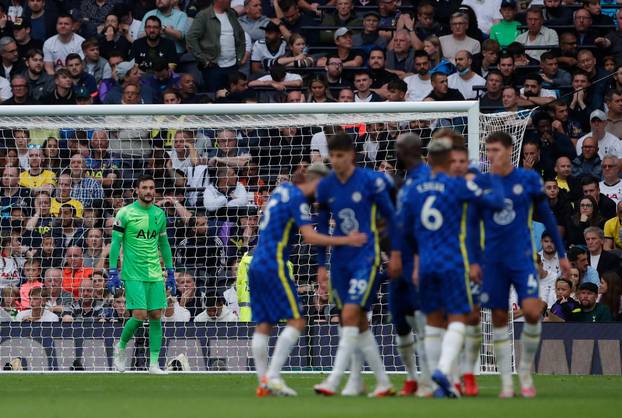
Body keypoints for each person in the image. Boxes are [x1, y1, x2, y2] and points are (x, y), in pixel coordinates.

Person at [251, 161, 366, 396]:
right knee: (297, 320)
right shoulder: (297, 199)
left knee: (264, 324)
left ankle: (263, 383)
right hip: (275, 264)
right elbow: (310, 237)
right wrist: (346, 240)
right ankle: (272, 376)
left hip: (255, 263)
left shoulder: (280, 191)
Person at [401, 137, 503, 398]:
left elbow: (405, 231)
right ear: (447, 160)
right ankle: (444, 371)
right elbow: (496, 203)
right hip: (453, 263)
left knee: (433, 323)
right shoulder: (457, 186)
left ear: (429, 159)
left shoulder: (414, 188)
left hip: (424, 264)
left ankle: (438, 386)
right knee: (459, 317)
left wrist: (412, 263)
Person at [479, 131, 570, 398]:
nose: (491, 155)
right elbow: (473, 223)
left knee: (532, 311)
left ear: (509, 150)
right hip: (493, 261)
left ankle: (525, 371)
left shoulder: (528, 179)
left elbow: (547, 218)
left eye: (496, 150)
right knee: (498, 318)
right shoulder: (484, 183)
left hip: (522, 259)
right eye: (488, 150)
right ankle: (507, 382)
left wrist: (562, 253)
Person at [313, 133, 397, 397]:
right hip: (339, 261)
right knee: (356, 322)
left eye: (340, 156)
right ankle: (378, 382)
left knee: (348, 315)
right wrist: (320, 265)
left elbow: (391, 218)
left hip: (365, 259)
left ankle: (334, 380)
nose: (335, 161)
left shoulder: (371, 181)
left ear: (351, 155)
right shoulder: (327, 186)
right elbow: (322, 225)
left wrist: (396, 253)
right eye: (332, 156)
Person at [109, 173, 177, 375]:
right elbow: (115, 243)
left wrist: (171, 271)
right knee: (139, 315)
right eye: (144, 188)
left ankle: (154, 364)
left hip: (155, 273)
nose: (148, 191)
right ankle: (120, 347)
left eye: (151, 188)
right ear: (137, 190)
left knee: (156, 315)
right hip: (133, 273)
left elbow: (164, 244)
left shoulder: (159, 214)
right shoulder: (125, 213)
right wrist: (113, 271)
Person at [388, 132, 434, 397]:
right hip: (401, 260)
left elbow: (422, 227)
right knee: (401, 323)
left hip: (419, 261)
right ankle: (411, 378)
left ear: (407, 151)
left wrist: (417, 261)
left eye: (398, 148)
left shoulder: (425, 180)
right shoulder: (407, 181)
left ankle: (428, 379)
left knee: (421, 321)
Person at [186, 0, 246, 93]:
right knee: (215, 99)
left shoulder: (231, 14)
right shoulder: (203, 15)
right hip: (214, 67)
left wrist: (239, 57)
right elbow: (191, 37)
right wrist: (204, 60)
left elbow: (241, 35)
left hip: (233, 66)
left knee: (234, 98)